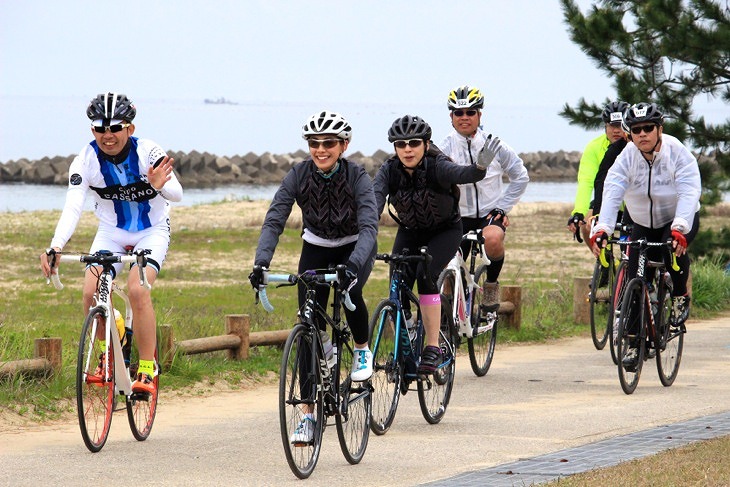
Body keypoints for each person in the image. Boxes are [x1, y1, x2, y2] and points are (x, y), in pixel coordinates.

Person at [40, 92, 183, 395]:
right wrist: (56, 245)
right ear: (92, 130)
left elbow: (178, 193)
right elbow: (74, 205)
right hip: (111, 232)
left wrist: (159, 187)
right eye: (99, 128)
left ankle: (146, 368)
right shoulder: (85, 160)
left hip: (151, 230)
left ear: (129, 128)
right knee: (90, 292)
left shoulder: (148, 151)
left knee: (137, 289)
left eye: (115, 127)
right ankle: (108, 348)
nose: (107, 135)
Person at [249, 110, 378, 383]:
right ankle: (308, 413)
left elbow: (369, 228)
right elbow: (274, 220)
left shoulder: (357, 176)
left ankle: (361, 349)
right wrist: (261, 263)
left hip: (354, 246)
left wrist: (353, 265)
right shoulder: (299, 174)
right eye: (314, 143)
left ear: (344, 145)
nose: (320, 150)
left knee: (350, 292)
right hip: (316, 245)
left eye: (329, 143)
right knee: (308, 322)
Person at [374, 114, 492, 373]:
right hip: (410, 231)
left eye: (414, 143)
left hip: (444, 231)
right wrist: (366, 233)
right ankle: (406, 337)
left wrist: (480, 168)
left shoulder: (437, 165)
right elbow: (374, 200)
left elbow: (462, 174)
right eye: (401, 144)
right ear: (394, 147)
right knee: (397, 281)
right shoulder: (389, 169)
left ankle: (432, 347)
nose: (407, 149)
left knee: (425, 275)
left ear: (426, 144)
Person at [589, 102, 701, 332]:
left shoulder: (676, 151)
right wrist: (603, 228)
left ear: (660, 128)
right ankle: (632, 341)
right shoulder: (626, 157)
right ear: (630, 133)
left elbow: (689, 190)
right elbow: (612, 190)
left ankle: (680, 295)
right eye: (636, 129)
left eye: (648, 128)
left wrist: (680, 226)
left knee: (672, 250)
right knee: (635, 281)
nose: (642, 134)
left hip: (677, 218)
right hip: (642, 222)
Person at [439, 85, 529, 307]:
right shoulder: (443, 148)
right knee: (449, 265)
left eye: (471, 112)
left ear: (480, 114)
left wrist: (502, 208)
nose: (464, 117)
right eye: (458, 113)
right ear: (451, 116)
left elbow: (520, 177)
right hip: (458, 217)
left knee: (493, 239)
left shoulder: (494, 145)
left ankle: (491, 285)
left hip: (489, 213)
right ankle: (448, 313)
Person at [568, 101, 629, 248]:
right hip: (606, 200)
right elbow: (586, 182)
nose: (617, 130)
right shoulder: (594, 147)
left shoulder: (635, 145)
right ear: (605, 126)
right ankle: (604, 263)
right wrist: (578, 213)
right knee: (588, 223)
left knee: (628, 245)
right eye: (612, 125)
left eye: (621, 125)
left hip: (632, 203)